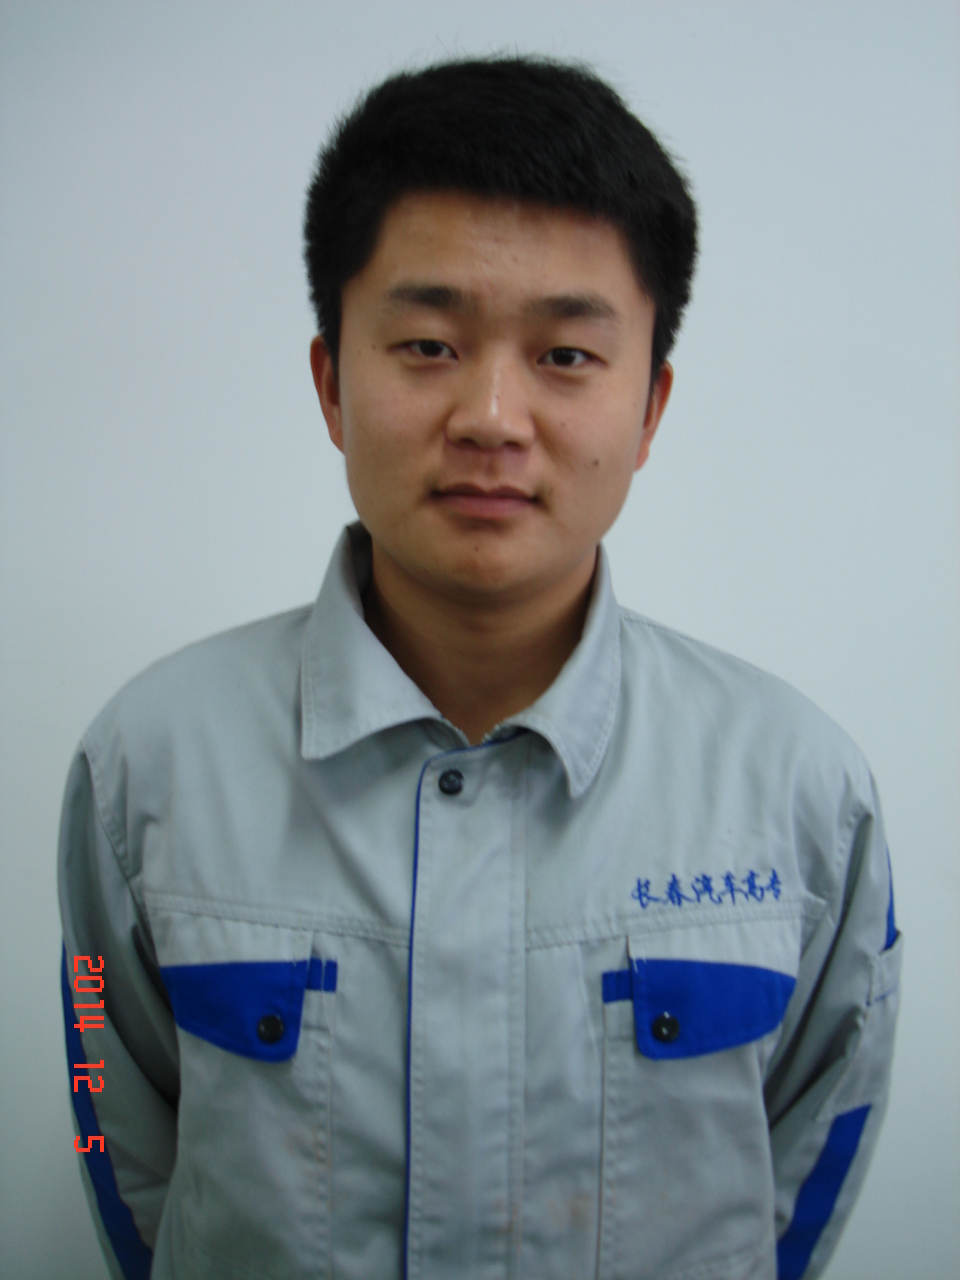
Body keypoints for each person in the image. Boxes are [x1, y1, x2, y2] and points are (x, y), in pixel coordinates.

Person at [58, 55, 901, 1280]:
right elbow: (111, 1126)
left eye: (566, 355)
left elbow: (812, 1164)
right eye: (428, 343)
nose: (494, 416)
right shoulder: (145, 766)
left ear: (650, 407)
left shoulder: (803, 791)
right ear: (331, 383)